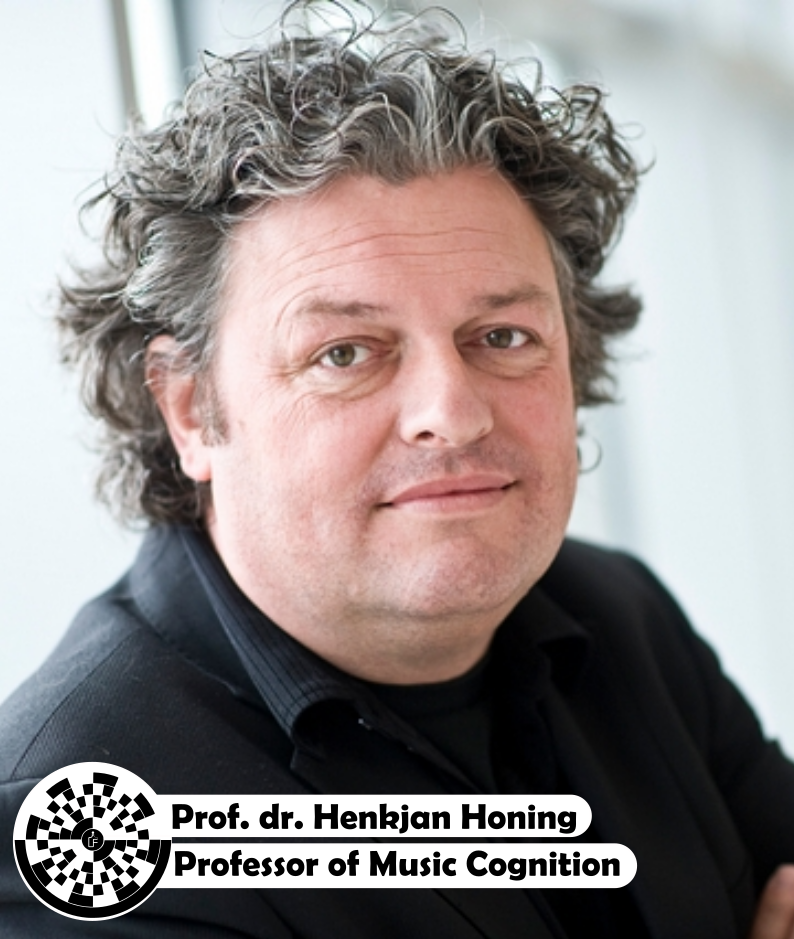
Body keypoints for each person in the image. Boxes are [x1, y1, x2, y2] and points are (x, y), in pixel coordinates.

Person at [1, 1, 793, 936]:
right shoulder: (82, 820)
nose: (452, 412)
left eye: (503, 336)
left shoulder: (621, 614)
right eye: (345, 353)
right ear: (189, 410)